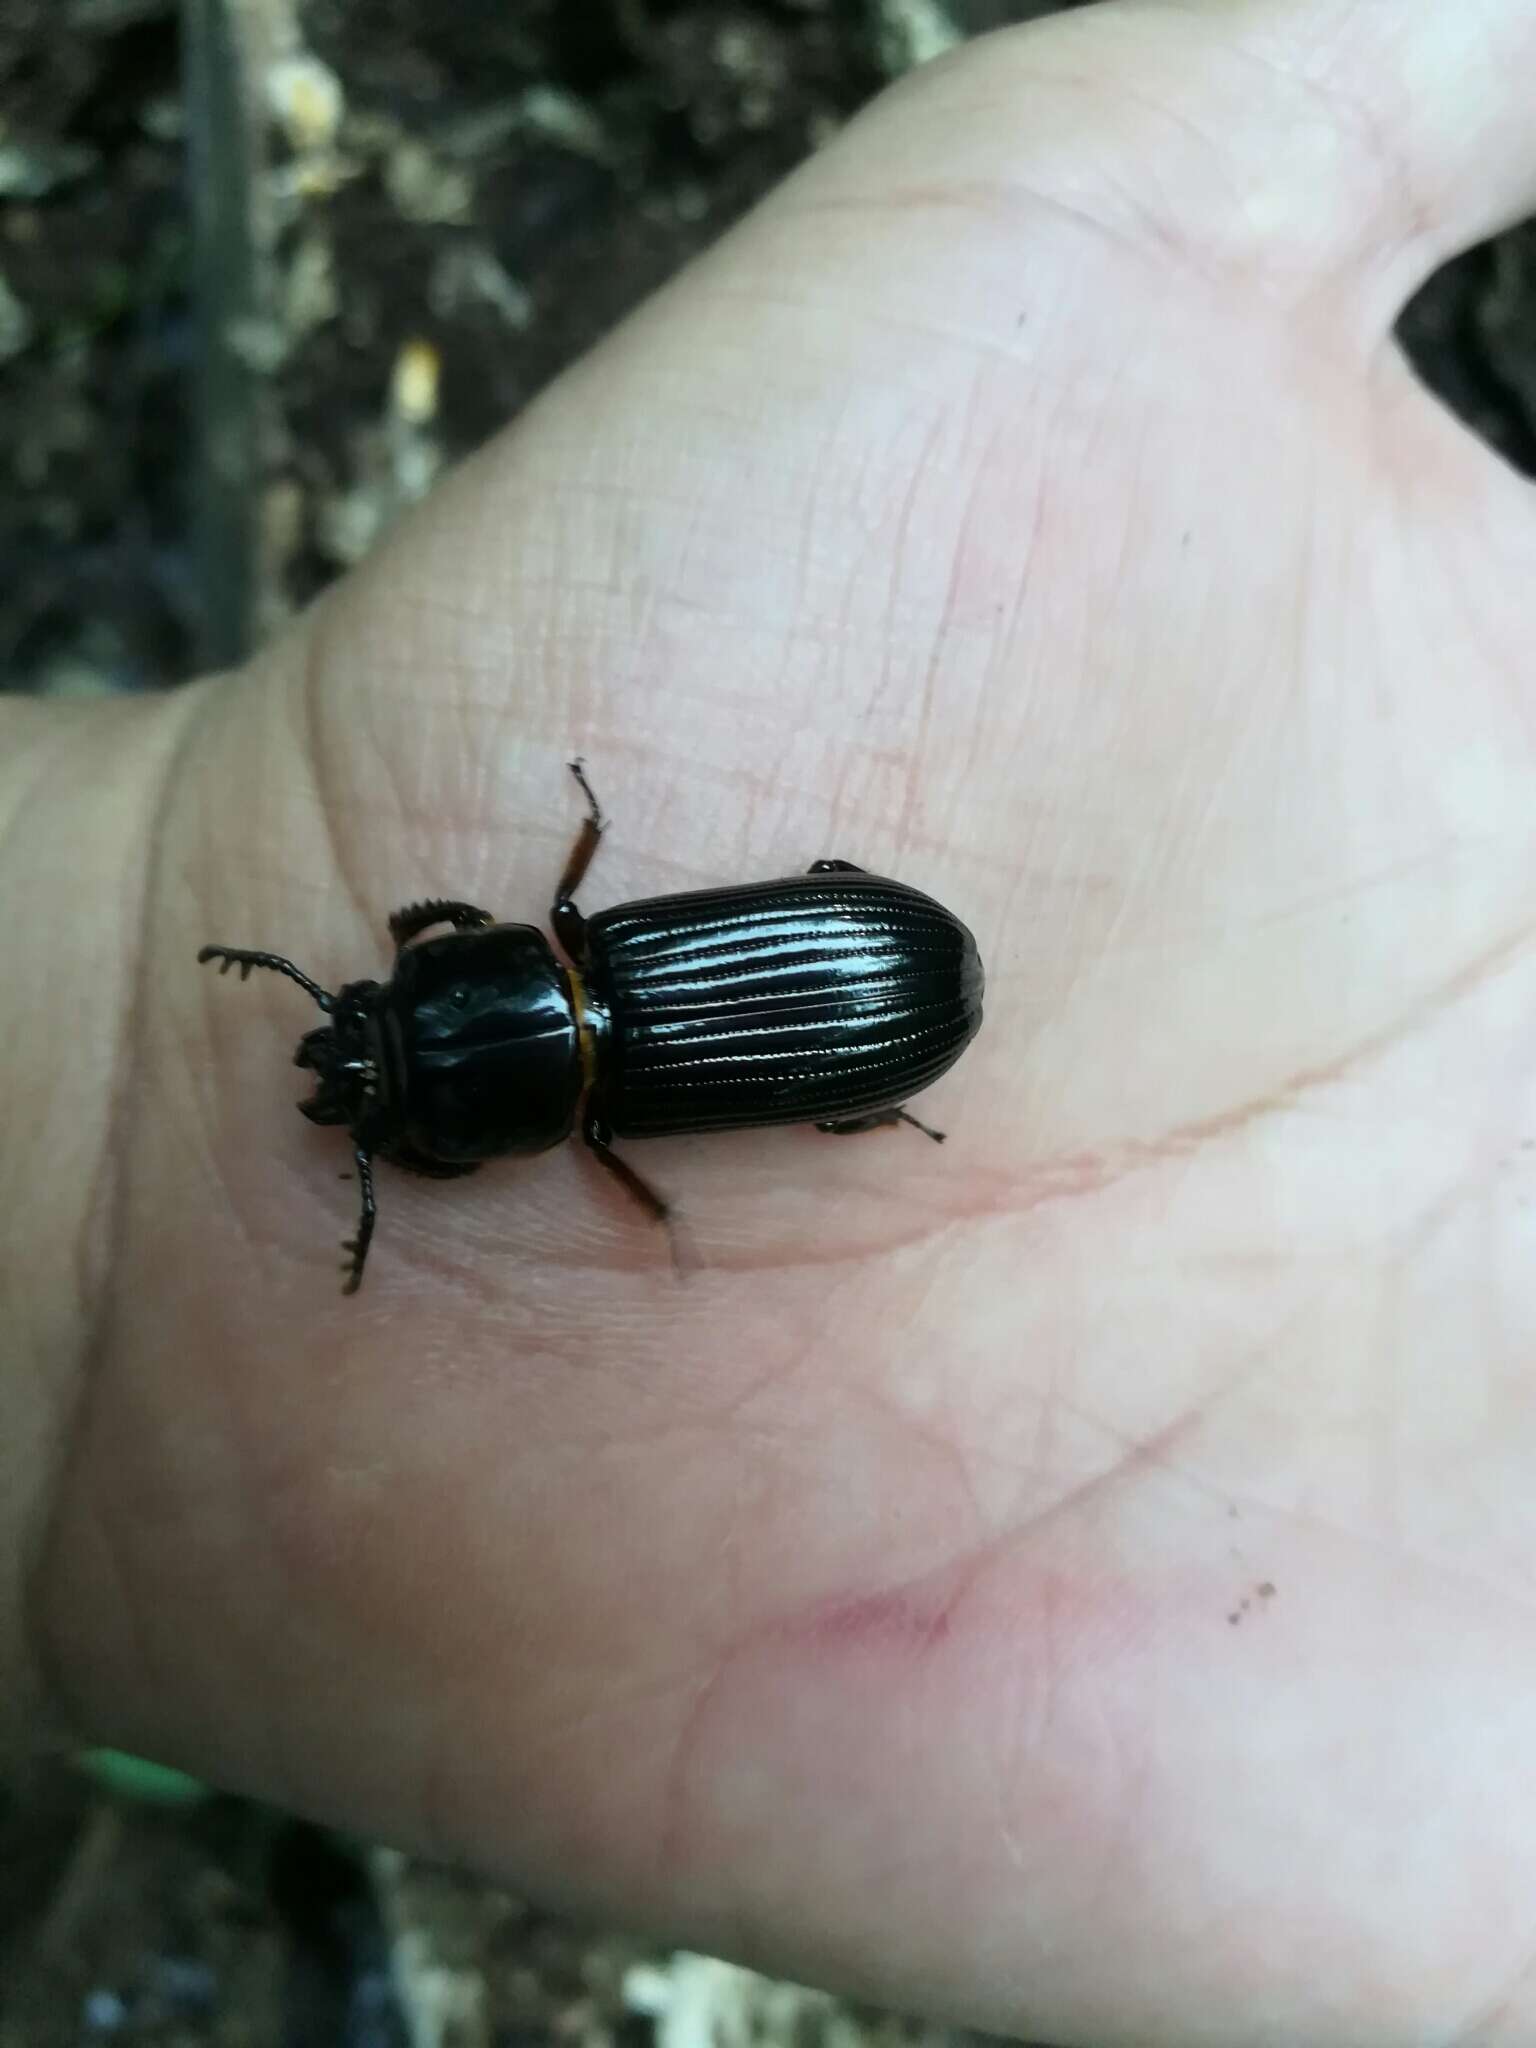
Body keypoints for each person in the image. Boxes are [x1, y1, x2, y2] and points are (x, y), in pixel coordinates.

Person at [5, 0, 1536, 2038]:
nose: (355, 1052)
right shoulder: (577, 957)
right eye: (385, 1039)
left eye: (380, 1026)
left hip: (821, 1006)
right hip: (818, 995)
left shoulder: (596, 1065)